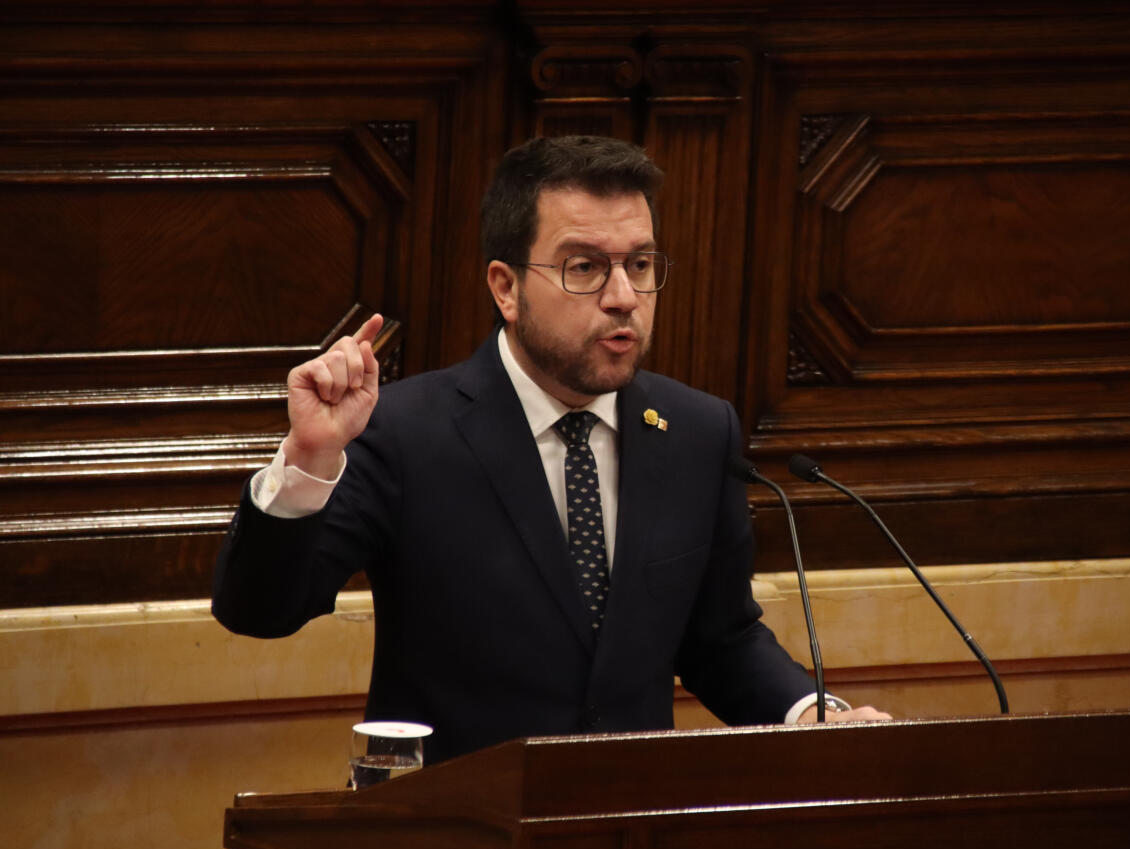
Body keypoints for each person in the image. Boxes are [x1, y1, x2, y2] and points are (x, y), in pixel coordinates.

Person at [212, 135, 888, 764]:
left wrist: (811, 713)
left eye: (640, 265)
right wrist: (308, 460)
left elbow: (721, 639)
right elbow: (260, 612)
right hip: (457, 822)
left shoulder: (696, 429)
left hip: (628, 820)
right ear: (505, 288)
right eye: (585, 267)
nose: (624, 298)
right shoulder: (403, 431)